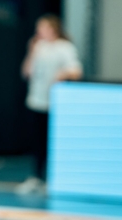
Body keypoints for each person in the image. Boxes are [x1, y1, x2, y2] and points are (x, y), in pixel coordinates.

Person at [17, 14, 82, 194]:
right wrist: (31, 51)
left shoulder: (64, 47)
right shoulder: (38, 46)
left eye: (43, 27)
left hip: (55, 104)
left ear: (53, 29)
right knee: (37, 142)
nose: (39, 31)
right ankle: (36, 177)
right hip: (36, 101)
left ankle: (53, 179)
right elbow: (26, 72)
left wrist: (63, 74)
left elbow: (76, 71)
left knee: (52, 142)